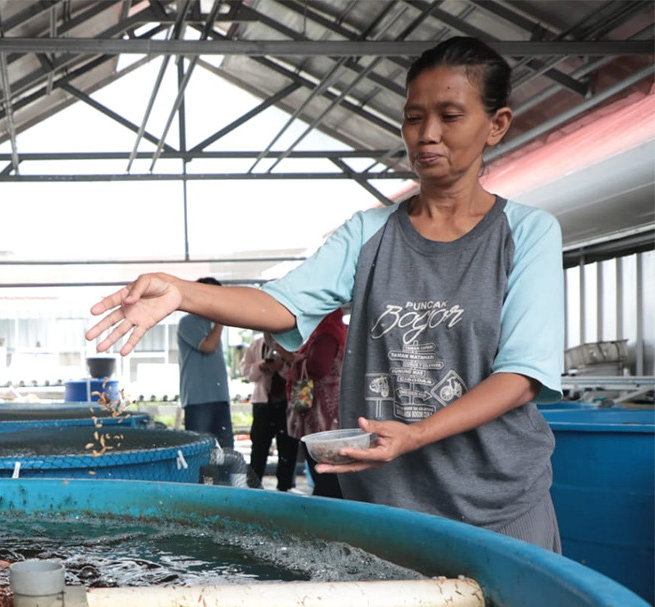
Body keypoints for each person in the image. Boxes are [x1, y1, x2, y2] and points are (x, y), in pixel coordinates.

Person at [86, 37, 564, 552]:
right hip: (384, 507)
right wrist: (181, 292)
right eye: (413, 117)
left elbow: (521, 377)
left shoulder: (527, 232)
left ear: (497, 124)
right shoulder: (369, 233)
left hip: (499, 506)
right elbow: (281, 303)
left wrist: (415, 434)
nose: (427, 135)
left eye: (450, 116)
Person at [285, 309, 347, 499]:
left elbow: (319, 367)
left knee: (323, 467)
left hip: (322, 413)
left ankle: (328, 510)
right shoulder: (339, 330)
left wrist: (293, 358)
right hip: (335, 410)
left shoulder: (326, 335)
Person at [176, 277, 234, 449]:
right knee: (200, 452)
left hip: (220, 397)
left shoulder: (212, 324)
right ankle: (204, 478)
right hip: (198, 399)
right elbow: (208, 346)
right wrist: (221, 320)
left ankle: (225, 478)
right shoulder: (187, 322)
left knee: (225, 451)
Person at [241, 332, 297, 491]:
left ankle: (285, 487)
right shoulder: (256, 344)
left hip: (287, 402)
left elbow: (298, 370)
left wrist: (281, 365)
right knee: (259, 446)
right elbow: (246, 372)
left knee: (288, 447)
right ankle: (253, 485)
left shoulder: (292, 343)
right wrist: (262, 365)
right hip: (263, 403)